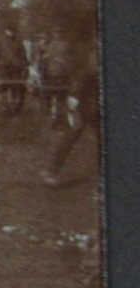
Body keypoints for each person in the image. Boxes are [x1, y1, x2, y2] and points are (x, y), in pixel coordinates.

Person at [40, 31, 100, 187]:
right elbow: (86, 75)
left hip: (94, 101)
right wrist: (74, 96)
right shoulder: (93, 51)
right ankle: (50, 171)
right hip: (87, 101)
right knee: (72, 133)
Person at [0, 24, 29, 114]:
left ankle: (17, 105)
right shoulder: (1, 42)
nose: (11, 33)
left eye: (12, 31)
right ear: (6, 31)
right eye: (9, 30)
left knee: (17, 86)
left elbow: (23, 54)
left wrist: (25, 64)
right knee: (3, 87)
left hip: (17, 67)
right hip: (4, 67)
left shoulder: (19, 42)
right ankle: (4, 106)